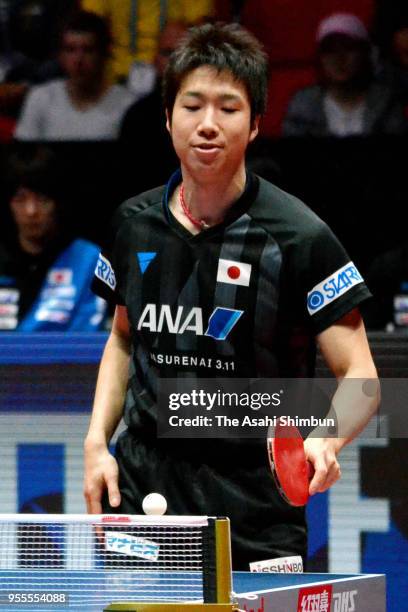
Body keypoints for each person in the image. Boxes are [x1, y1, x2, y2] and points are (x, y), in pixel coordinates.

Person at [84, 23, 378, 569]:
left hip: (257, 507)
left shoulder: (300, 237)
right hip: (147, 492)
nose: (208, 125)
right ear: (168, 117)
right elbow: (123, 339)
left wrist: (328, 439)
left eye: (229, 108)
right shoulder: (133, 224)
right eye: (192, 106)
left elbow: (360, 376)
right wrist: (97, 441)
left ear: (257, 123)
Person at [0, 145, 106, 331]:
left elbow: (85, 343)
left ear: (58, 202)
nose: (31, 211)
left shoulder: (88, 260)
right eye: (20, 199)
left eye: (41, 199)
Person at [14, 11, 135, 141]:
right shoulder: (40, 99)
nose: (78, 60)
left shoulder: (127, 106)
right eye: (70, 50)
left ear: (103, 55)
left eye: (88, 50)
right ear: (60, 56)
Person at [283, 13, 407, 137]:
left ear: (364, 54)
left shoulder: (386, 102)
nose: (339, 58)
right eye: (330, 50)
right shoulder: (304, 104)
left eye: (348, 48)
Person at [119, 20, 187, 191]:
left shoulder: (217, 116)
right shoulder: (137, 117)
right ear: (155, 60)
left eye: (183, 54)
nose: (174, 62)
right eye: (167, 53)